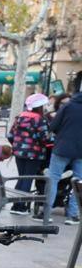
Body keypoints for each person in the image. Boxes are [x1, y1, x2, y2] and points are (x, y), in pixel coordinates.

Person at [8, 93, 53, 216]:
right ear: (40, 106)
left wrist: (17, 145)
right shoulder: (40, 119)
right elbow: (46, 139)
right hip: (34, 154)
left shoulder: (20, 116)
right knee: (28, 179)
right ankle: (21, 207)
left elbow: (10, 135)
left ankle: (15, 205)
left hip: (18, 153)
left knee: (22, 177)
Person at [44, 87, 82, 225]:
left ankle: (46, 214)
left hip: (62, 148)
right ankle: (72, 215)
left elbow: (53, 125)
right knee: (78, 183)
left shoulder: (68, 106)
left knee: (53, 179)